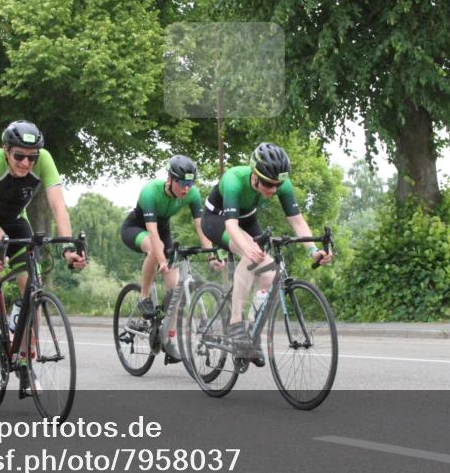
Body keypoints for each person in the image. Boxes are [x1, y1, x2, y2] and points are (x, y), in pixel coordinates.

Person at [0, 120, 87, 352]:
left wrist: (69, 248)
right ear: (5, 150)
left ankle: (24, 358)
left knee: (31, 284)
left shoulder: (45, 160)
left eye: (32, 157)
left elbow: (58, 206)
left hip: (16, 218)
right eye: (19, 156)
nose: (26, 163)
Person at [200, 143, 331, 366]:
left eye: (277, 185)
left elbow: (297, 221)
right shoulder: (233, 179)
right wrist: (248, 246)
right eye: (269, 184)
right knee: (251, 253)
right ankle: (235, 324)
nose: (273, 189)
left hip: (248, 219)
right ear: (255, 175)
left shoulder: (281, 183)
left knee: (271, 275)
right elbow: (232, 225)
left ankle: (251, 331)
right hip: (218, 220)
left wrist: (313, 250)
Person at [119, 155, 223, 362]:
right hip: (136, 229)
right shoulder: (150, 191)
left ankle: (169, 339)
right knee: (154, 247)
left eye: (190, 183)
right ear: (170, 179)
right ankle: (144, 296)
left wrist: (211, 253)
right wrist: (162, 260)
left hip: (163, 230)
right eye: (182, 183)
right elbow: (152, 232)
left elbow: (201, 227)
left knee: (174, 290)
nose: (186, 188)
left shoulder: (192, 194)